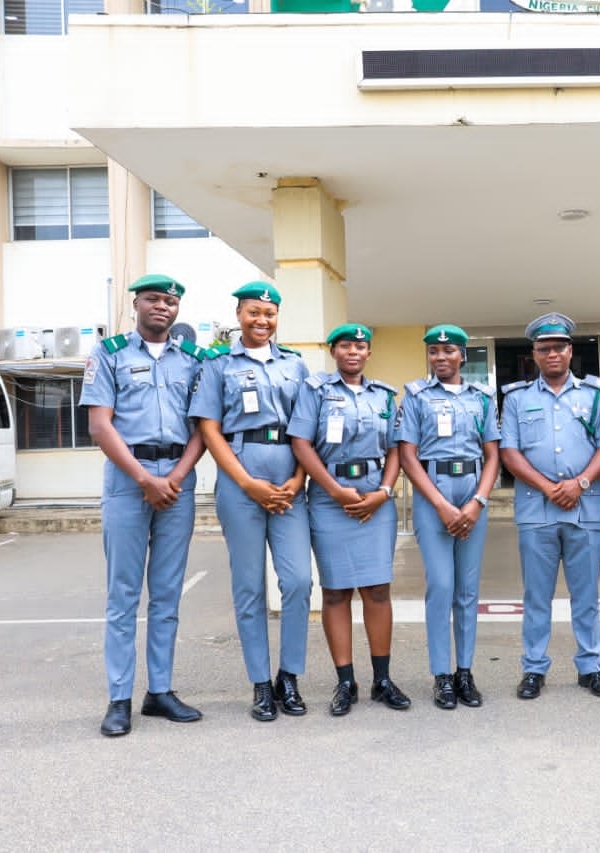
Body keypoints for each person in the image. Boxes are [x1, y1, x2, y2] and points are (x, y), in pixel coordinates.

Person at [80, 274, 208, 737]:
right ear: (136, 304)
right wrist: (143, 479)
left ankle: (160, 692)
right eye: (153, 299)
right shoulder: (109, 353)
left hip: (177, 481)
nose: (162, 307)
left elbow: (202, 427)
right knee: (123, 595)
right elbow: (100, 426)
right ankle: (119, 699)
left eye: (170, 301)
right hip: (127, 482)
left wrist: (172, 478)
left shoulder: (195, 360)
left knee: (168, 594)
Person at [190, 281, 313, 722]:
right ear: (238, 316)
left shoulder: (296, 366)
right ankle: (261, 683)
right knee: (249, 587)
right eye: (253, 312)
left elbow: (306, 429)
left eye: (269, 313)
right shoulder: (219, 365)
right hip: (241, 485)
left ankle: (290, 677)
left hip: (289, 485)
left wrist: (299, 479)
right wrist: (246, 482)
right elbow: (209, 430)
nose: (262, 320)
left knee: (299, 582)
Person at [288, 323, 410, 716]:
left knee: (377, 590)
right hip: (329, 499)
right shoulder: (315, 392)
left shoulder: (386, 396)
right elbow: (301, 444)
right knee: (336, 592)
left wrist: (384, 492)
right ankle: (345, 682)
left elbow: (395, 449)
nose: (353, 351)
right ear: (333, 351)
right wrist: (335, 490)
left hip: (376, 497)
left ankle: (383, 680)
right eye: (345, 345)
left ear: (369, 352)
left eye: (360, 345)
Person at [499, 313, 600, 701]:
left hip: (585, 507)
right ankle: (534, 668)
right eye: (544, 348)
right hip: (537, 508)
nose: (552, 354)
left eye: (559, 347)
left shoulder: (596, 395)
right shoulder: (516, 398)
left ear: (570, 350)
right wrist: (550, 488)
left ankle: (590, 666)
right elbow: (510, 453)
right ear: (533, 353)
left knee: (587, 594)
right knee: (536, 594)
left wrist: (579, 483)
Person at [395, 324, 499, 710]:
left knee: (467, 590)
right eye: (434, 353)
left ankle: (465, 671)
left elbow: (493, 454)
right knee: (441, 586)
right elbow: (408, 455)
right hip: (432, 491)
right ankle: (441, 674)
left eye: (449, 352)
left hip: (472, 490)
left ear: (462, 356)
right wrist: (440, 504)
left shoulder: (482, 398)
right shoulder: (416, 396)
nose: (441, 358)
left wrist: (479, 501)